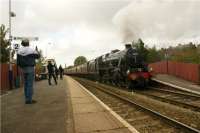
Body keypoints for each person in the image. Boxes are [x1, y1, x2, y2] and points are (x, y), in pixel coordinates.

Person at [17, 39, 40, 104]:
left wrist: (21, 67)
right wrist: (37, 51)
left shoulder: (19, 51)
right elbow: (38, 56)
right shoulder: (31, 50)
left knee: (26, 84)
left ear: (22, 44)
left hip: (23, 69)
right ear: (28, 43)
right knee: (30, 84)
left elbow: (18, 61)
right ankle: (29, 100)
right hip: (30, 68)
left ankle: (27, 99)